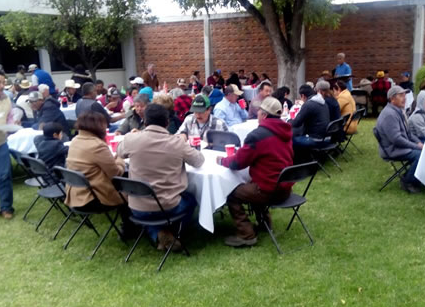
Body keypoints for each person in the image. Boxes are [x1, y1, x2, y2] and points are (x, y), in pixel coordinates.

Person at [117, 104, 205, 250]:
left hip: (137, 206)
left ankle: (158, 233)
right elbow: (199, 161)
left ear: (144, 121)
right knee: (191, 199)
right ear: (167, 122)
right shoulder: (177, 143)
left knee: (154, 207)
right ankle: (174, 233)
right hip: (170, 206)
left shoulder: (131, 139)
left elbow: (119, 152)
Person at [217, 97, 293, 247]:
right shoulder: (286, 131)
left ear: (264, 115)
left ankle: (246, 235)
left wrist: (221, 160)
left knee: (231, 192)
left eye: (259, 111)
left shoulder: (258, 135)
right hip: (285, 187)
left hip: (269, 190)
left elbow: (237, 163)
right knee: (252, 183)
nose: (257, 113)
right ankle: (264, 223)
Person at [64, 111, 134, 237]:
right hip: (92, 198)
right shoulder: (96, 145)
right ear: (97, 126)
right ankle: (130, 229)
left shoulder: (76, 140)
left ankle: (130, 228)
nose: (106, 127)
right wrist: (120, 158)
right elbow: (116, 172)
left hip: (76, 194)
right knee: (131, 193)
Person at [375, 86, 423, 193]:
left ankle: (414, 176)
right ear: (392, 99)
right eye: (401, 96)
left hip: (398, 146)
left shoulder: (397, 111)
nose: (404, 98)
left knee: (424, 146)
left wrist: (419, 142)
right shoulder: (389, 115)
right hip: (393, 149)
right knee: (420, 155)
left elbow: (408, 134)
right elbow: (396, 139)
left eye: (405, 95)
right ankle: (408, 181)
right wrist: (416, 146)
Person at [290, 84, 330, 162]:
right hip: (326, 137)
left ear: (303, 96)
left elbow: (296, 123)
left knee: (290, 139)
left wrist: (288, 121)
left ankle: (297, 162)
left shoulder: (308, 104)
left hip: (316, 140)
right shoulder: (322, 102)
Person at [0, 69, 14, 219]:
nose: (1, 85)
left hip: (1, 142)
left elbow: (9, 116)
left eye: (3, 82)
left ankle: (6, 207)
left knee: (4, 175)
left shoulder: (6, 98)